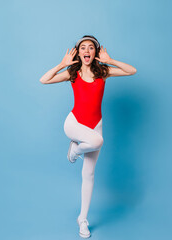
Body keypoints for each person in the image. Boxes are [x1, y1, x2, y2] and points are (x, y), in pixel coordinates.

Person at [39, 35, 137, 238]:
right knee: (97, 142)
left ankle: (82, 219)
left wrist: (110, 61)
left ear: (95, 52)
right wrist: (61, 64)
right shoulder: (71, 73)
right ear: (78, 52)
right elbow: (44, 79)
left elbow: (132, 71)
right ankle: (75, 149)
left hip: (95, 126)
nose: (87, 50)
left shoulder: (103, 72)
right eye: (83, 47)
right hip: (74, 124)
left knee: (89, 174)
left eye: (91, 47)